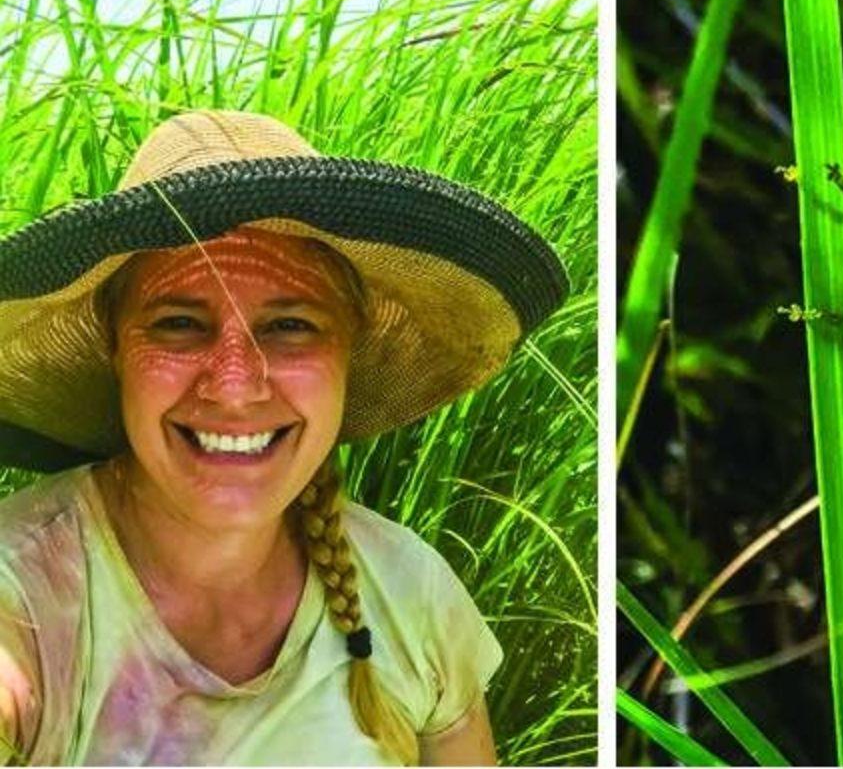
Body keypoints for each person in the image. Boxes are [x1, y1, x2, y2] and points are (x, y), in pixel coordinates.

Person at [0, 110, 567, 764]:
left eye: (290, 325)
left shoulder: (410, 592)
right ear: (114, 350)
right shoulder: (29, 597)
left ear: (347, 353)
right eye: (179, 322)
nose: (236, 385)